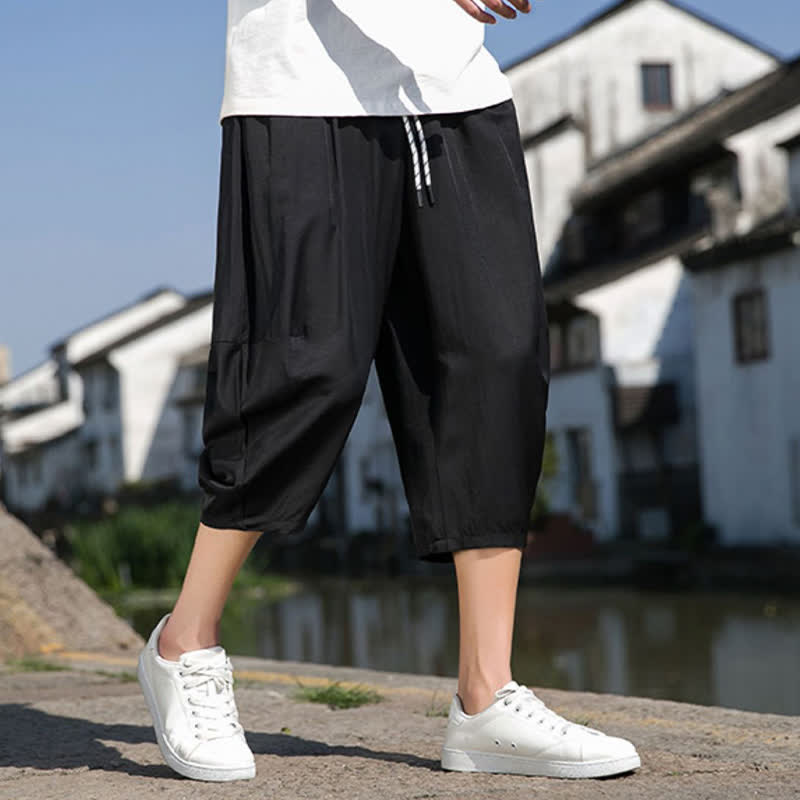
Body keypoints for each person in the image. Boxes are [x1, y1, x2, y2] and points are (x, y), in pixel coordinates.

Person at [137, 0, 641, 783]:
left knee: (494, 359)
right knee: (307, 362)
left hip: (451, 88)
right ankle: (185, 641)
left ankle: (486, 696)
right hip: (301, 84)